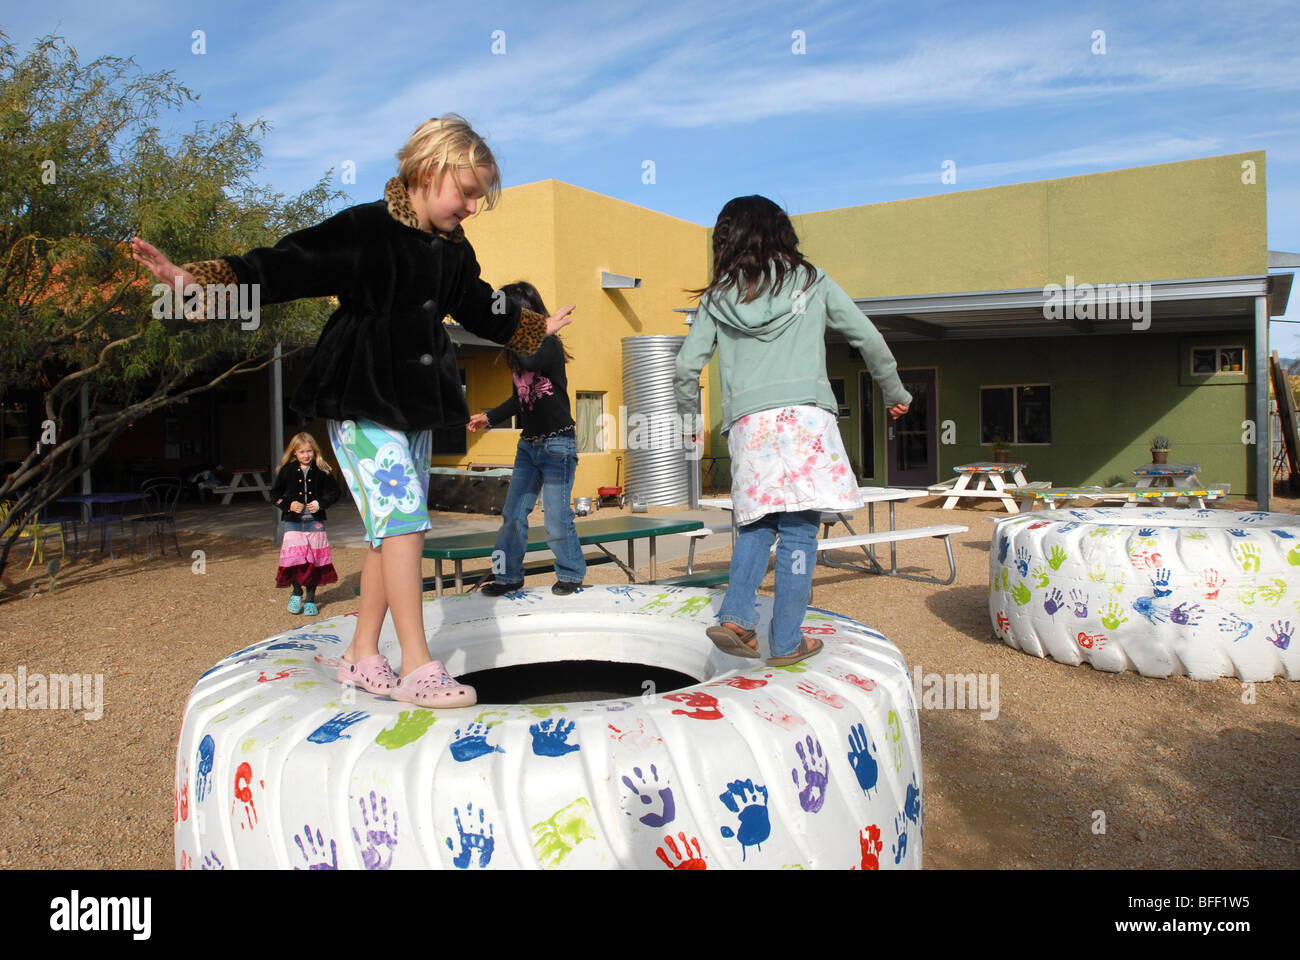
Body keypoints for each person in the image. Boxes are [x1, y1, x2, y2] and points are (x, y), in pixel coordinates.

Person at [131, 114, 574, 708]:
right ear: (430, 169)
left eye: (478, 198)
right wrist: (200, 281)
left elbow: (478, 303)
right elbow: (287, 264)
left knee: (385, 535)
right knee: (407, 523)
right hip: (362, 401)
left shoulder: (453, 250)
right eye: (466, 192)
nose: (472, 207)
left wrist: (529, 327)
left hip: (415, 411)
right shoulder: (367, 228)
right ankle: (417, 664)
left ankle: (362, 655)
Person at [674, 195, 910, 666]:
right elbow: (868, 336)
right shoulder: (811, 281)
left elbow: (685, 367)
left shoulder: (719, 298)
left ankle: (738, 617)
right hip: (805, 423)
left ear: (727, 239)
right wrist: (894, 391)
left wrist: (689, 426)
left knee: (757, 525)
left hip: (750, 427)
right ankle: (785, 641)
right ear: (782, 231)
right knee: (800, 534)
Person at [467, 282, 585, 596]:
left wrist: (541, 330)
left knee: (557, 517)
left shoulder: (549, 344)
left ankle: (571, 573)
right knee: (512, 514)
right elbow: (521, 397)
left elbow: (532, 362)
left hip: (558, 444)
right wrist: (489, 416)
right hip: (528, 444)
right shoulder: (519, 350)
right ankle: (507, 576)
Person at [270, 432, 341, 616]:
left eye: (309, 451)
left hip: (315, 523)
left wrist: (321, 503)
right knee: (294, 560)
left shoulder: (322, 469)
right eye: (302, 452)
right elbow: (274, 494)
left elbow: (335, 492)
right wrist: (288, 505)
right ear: (294, 453)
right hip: (293, 523)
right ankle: (296, 593)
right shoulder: (286, 470)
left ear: (314, 451)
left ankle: (310, 599)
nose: (306, 455)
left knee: (314, 561)